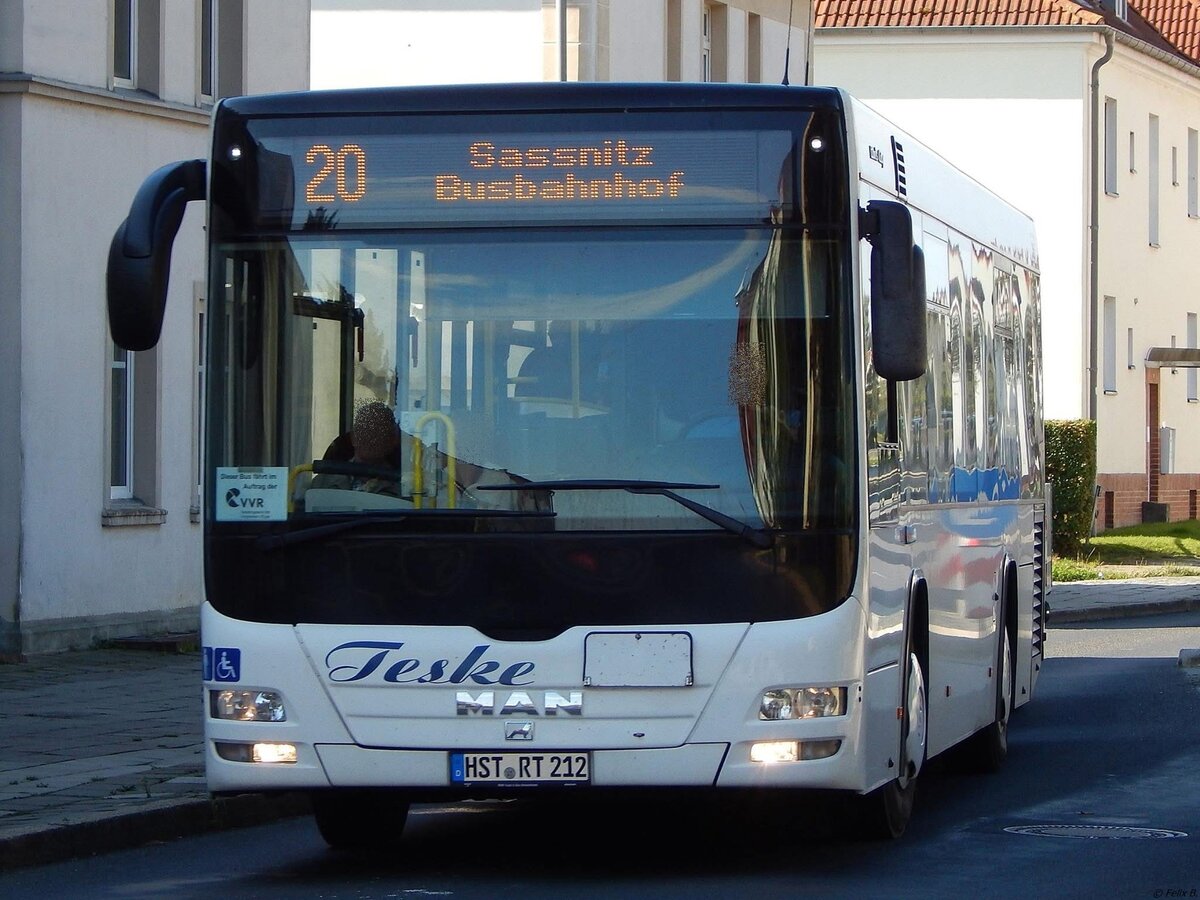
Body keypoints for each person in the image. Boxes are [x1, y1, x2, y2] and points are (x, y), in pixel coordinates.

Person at [311, 400, 403, 496]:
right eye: (364, 430)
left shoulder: (404, 488)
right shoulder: (321, 483)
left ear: (393, 441)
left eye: (379, 432)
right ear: (353, 437)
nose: (370, 437)